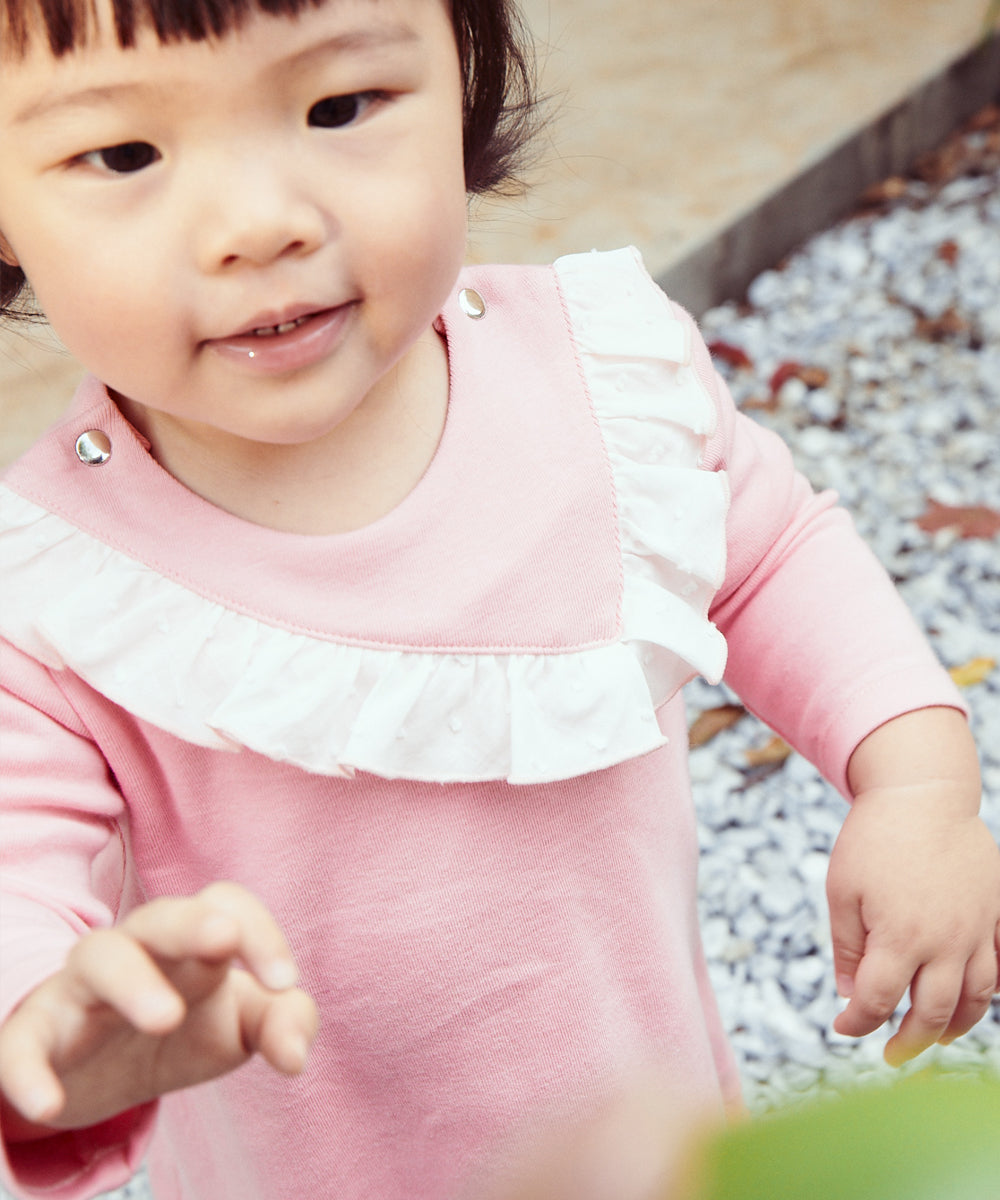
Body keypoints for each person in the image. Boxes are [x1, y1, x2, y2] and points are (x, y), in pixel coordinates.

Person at [0, 0, 997, 1196]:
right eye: (123, 155)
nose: (258, 225)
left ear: (465, 85)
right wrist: (50, 1026)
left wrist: (916, 777)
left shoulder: (596, 386)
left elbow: (770, 550)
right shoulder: (63, 596)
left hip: (653, 1143)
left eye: (338, 106)